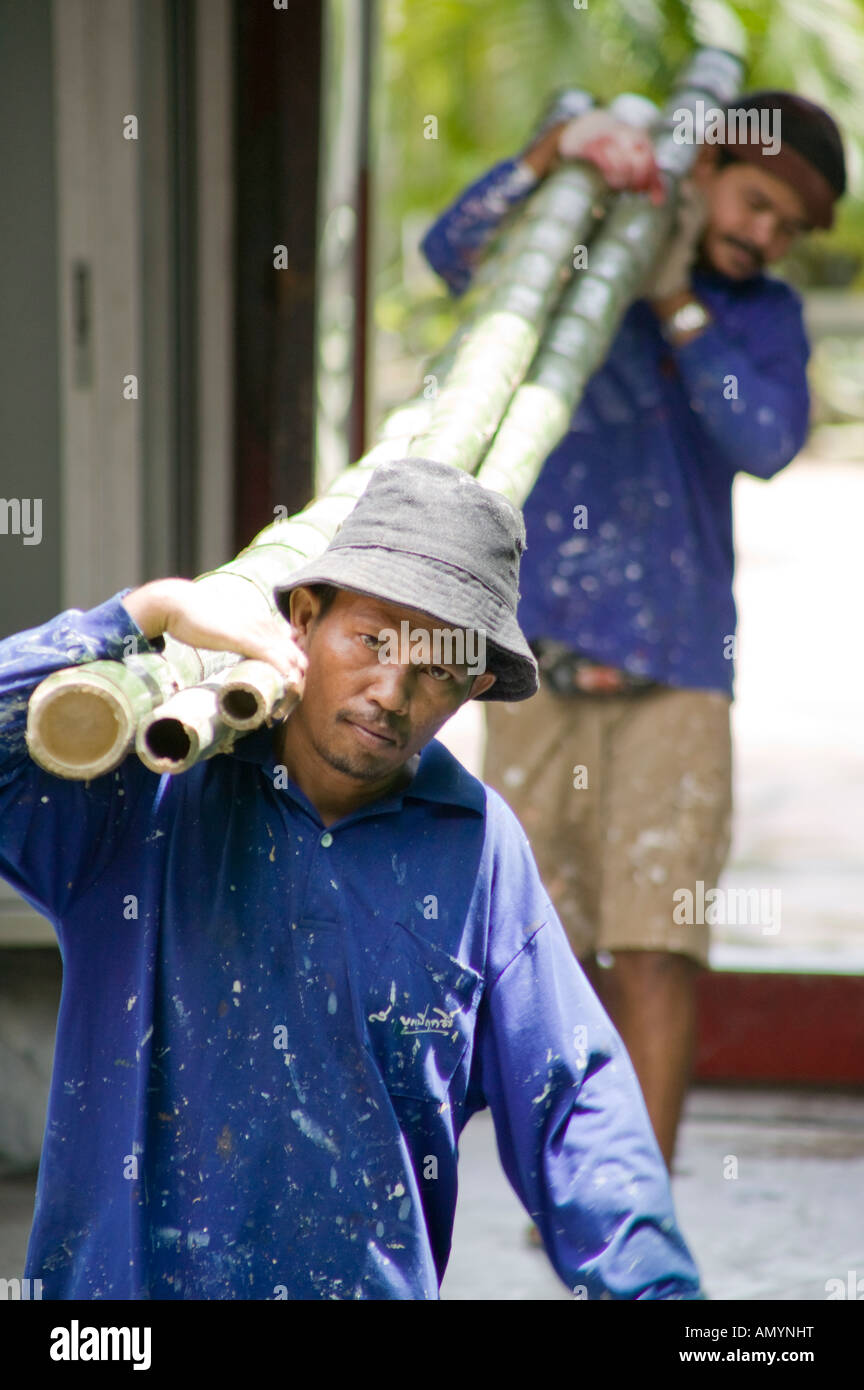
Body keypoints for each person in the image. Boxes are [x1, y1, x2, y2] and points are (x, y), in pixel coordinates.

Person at [0, 458, 703, 1300]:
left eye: (436, 665)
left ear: (475, 684)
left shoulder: (474, 849)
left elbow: (574, 1111)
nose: (391, 690)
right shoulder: (152, 785)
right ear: (303, 616)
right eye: (373, 640)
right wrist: (145, 611)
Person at [422, 92, 846, 1168]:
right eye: (755, 203)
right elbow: (454, 251)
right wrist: (552, 153)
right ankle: (557, 1197)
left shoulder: (763, 317)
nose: (765, 235)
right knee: (533, 948)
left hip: (681, 669)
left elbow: (763, 439)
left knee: (658, 947)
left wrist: (678, 307)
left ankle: (631, 1216)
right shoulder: (585, 254)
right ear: (703, 169)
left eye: (787, 228)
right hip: (536, 665)